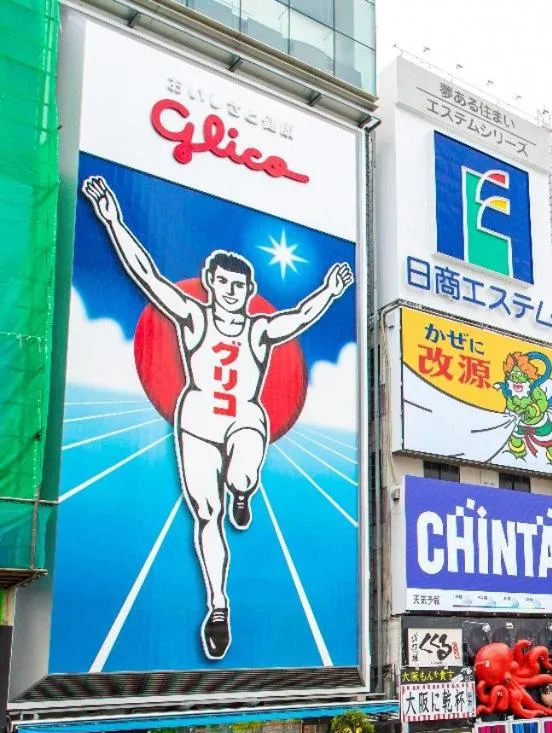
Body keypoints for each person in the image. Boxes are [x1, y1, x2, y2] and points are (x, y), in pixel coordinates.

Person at [80, 176, 354, 660]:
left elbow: (300, 316)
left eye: (239, 285)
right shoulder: (193, 316)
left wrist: (330, 292)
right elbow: (148, 276)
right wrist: (112, 219)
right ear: (211, 284)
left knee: (243, 471)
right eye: (223, 283)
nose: (231, 292)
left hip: (244, 417)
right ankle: (218, 604)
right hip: (198, 418)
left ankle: (243, 491)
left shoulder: (261, 329)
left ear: (250, 290)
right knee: (206, 514)